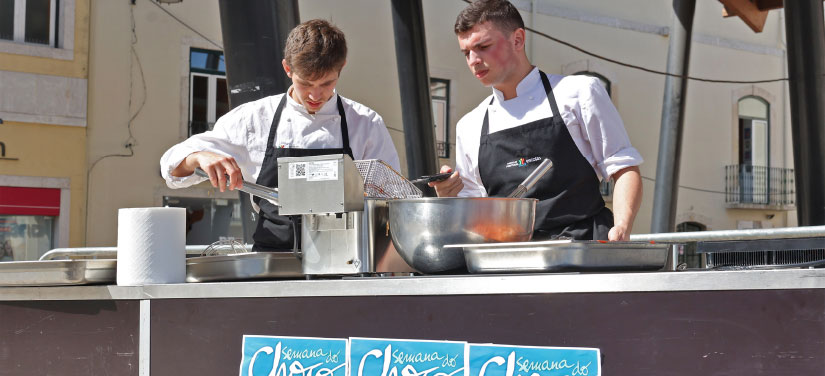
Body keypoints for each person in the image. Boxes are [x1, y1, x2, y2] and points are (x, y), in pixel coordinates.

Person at [160, 19, 399, 251]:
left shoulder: (366, 123)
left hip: (348, 259)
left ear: (342, 67)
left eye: (327, 84)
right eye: (305, 83)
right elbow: (171, 169)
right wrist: (198, 157)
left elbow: (392, 199)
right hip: (273, 261)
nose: (315, 95)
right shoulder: (253, 119)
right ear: (287, 68)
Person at [431, 0, 643, 241]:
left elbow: (623, 167)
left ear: (518, 40)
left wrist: (623, 225)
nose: (473, 60)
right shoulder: (469, 125)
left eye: (483, 46)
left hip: (584, 249)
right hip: (510, 258)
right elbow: (473, 206)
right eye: (466, 52)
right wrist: (448, 195)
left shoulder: (578, 93)